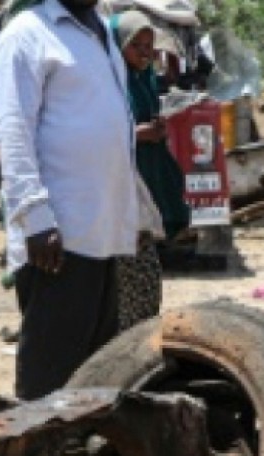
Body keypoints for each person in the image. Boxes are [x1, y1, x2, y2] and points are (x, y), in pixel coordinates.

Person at [0, 0, 139, 401]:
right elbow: (12, 130)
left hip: (104, 231)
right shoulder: (26, 33)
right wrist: (34, 217)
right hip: (58, 235)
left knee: (95, 373)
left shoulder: (102, 32)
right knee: (49, 377)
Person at [112, 10, 189, 331]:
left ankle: (136, 338)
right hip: (118, 187)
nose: (145, 52)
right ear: (118, 47)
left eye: (149, 45)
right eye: (136, 45)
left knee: (144, 270)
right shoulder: (110, 81)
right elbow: (105, 133)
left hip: (143, 184)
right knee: (129, 270)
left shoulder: (144, 80)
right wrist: (140, 133)